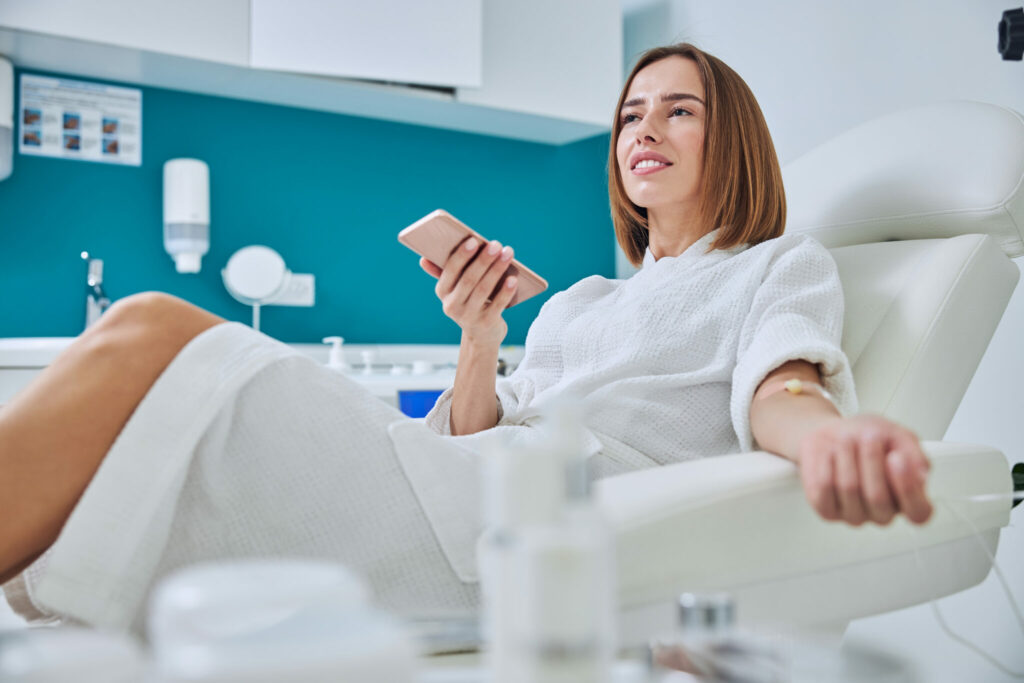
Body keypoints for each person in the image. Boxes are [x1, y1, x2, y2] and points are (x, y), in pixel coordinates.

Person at [0, 43, 932, 633]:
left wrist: (832, 436)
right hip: (473, 487)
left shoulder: (775, 264)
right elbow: (479, 431)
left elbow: (783, 385)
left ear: (732, 137)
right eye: (629, 115)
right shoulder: (580, 301)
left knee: (156, 329)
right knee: (147, 350)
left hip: (551, 528)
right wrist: (481, 337)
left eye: (678, 108)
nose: (643, 128)